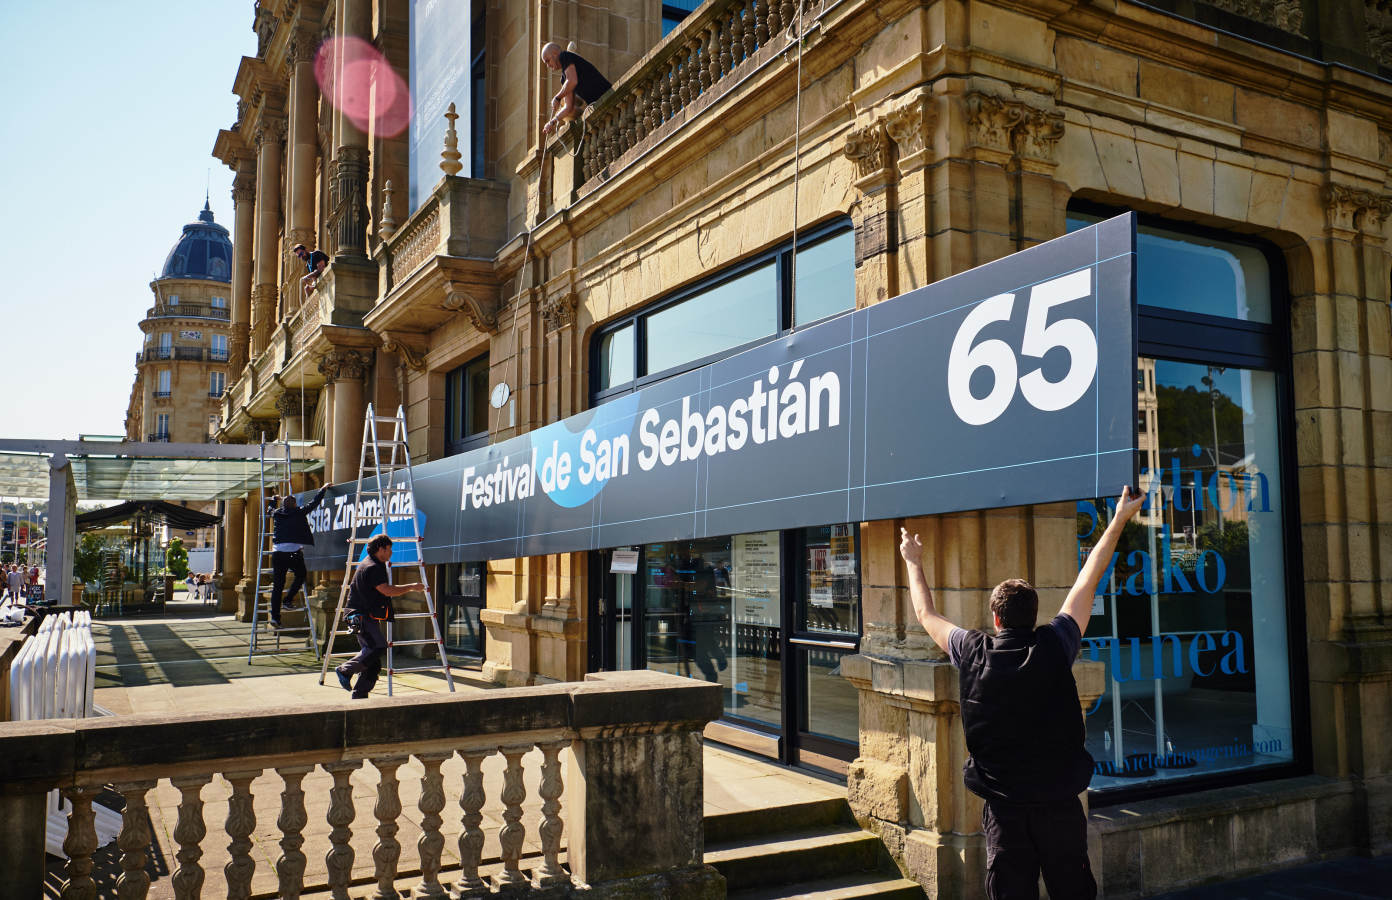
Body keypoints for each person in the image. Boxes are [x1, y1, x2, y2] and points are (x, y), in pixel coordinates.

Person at [900, 485, 1146, 900]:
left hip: (1004, 808)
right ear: (1034, 616)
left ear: (995, 618)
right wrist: (1120, 517)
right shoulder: (1056, 643)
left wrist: (914, 561)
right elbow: (1089, 578)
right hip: (1059, 805)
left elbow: (926, 613)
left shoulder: (972, 651)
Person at [334, 535, 425, 699]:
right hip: (360, 615)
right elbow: (387, 590)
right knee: (377, 647)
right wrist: (412, 587)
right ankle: (345, 670)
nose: (391, 552)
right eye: (389, 549)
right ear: (380, 549)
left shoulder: (372, 563)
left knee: (373, 663)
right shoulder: (373, 567)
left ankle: (360, 695)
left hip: (362, 615)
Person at [268, 484, 329, 627]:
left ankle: (275, 618)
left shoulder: (277, 513)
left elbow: (269, 510)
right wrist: (323, 489)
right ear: (294, 504)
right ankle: (288, 600)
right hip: (293, 553)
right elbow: (314, 503)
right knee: (301, 575)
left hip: (277, 553)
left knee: (278, 586)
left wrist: (273, 500)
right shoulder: (299, 512)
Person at [541, 41, 612, 137]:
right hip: (600, 104)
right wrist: (552, 122)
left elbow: (572, 81)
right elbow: (568, 106)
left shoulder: (565, 56)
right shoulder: (563, 79)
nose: (548, 65)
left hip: (608, 96)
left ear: (554, 53)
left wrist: (557, 98)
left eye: (547, 60)